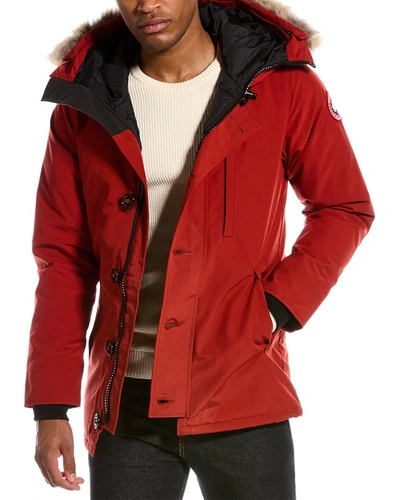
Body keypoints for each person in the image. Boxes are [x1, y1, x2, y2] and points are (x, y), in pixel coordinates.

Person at [25, 0, 374, 498]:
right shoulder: (83, 101)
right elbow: (63, 258)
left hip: (242, 391)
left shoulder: (283, 84)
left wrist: (275, 307)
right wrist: (50, 406)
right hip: (126, 408)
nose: (147, 4)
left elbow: (344, 206)